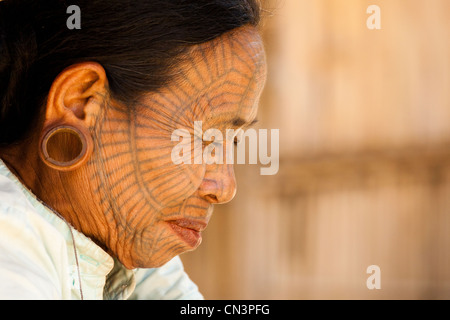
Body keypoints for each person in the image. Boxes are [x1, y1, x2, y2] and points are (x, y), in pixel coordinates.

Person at [0, 0, 267, 299]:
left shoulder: (119, 244)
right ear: (80, 104)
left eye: (232, 141)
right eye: (204, 138)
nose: (225, 188)